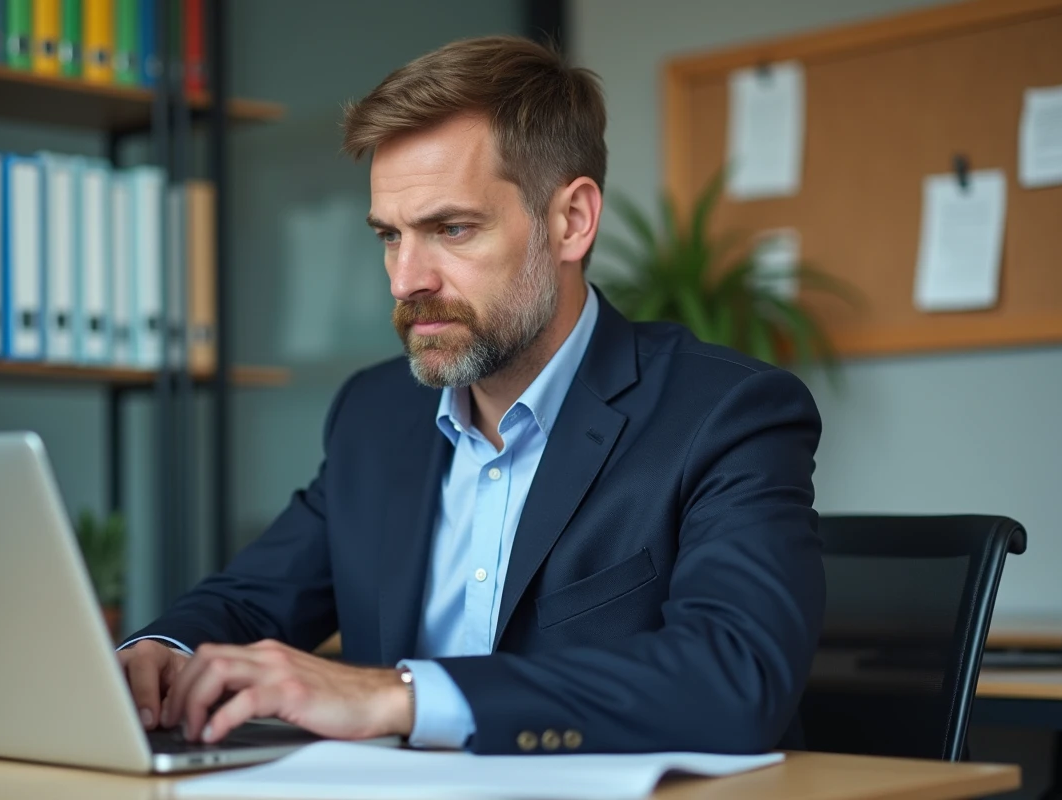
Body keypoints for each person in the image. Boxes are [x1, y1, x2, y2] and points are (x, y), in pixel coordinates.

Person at [118, 35, 826, 756]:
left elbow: (735, 677)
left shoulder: (726, 415)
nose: (404, 280)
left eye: (451, 229)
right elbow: (249, 600)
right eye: (389, 236)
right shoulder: (375, 414)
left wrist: (396, 697)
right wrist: (157, 653)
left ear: (571, 221)